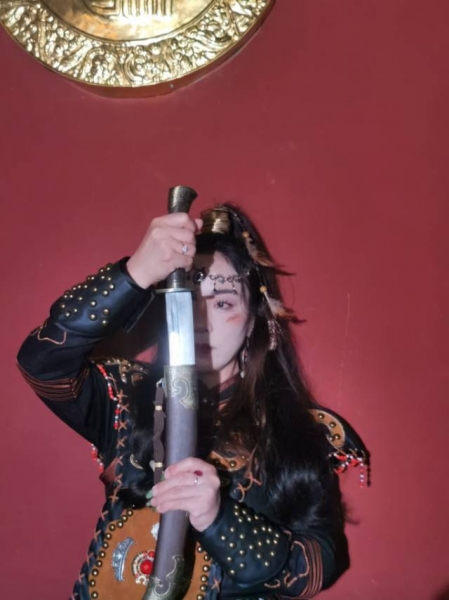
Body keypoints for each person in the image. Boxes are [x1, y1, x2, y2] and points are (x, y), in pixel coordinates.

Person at [17, 203, 368, 599]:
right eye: (187, 298)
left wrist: (220, 520)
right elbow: (41, 362)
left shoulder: (300, 430)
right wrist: (136, 273)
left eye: (222, 303)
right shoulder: (126, 397)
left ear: (255, 321)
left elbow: (319, 566)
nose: (200, 319)